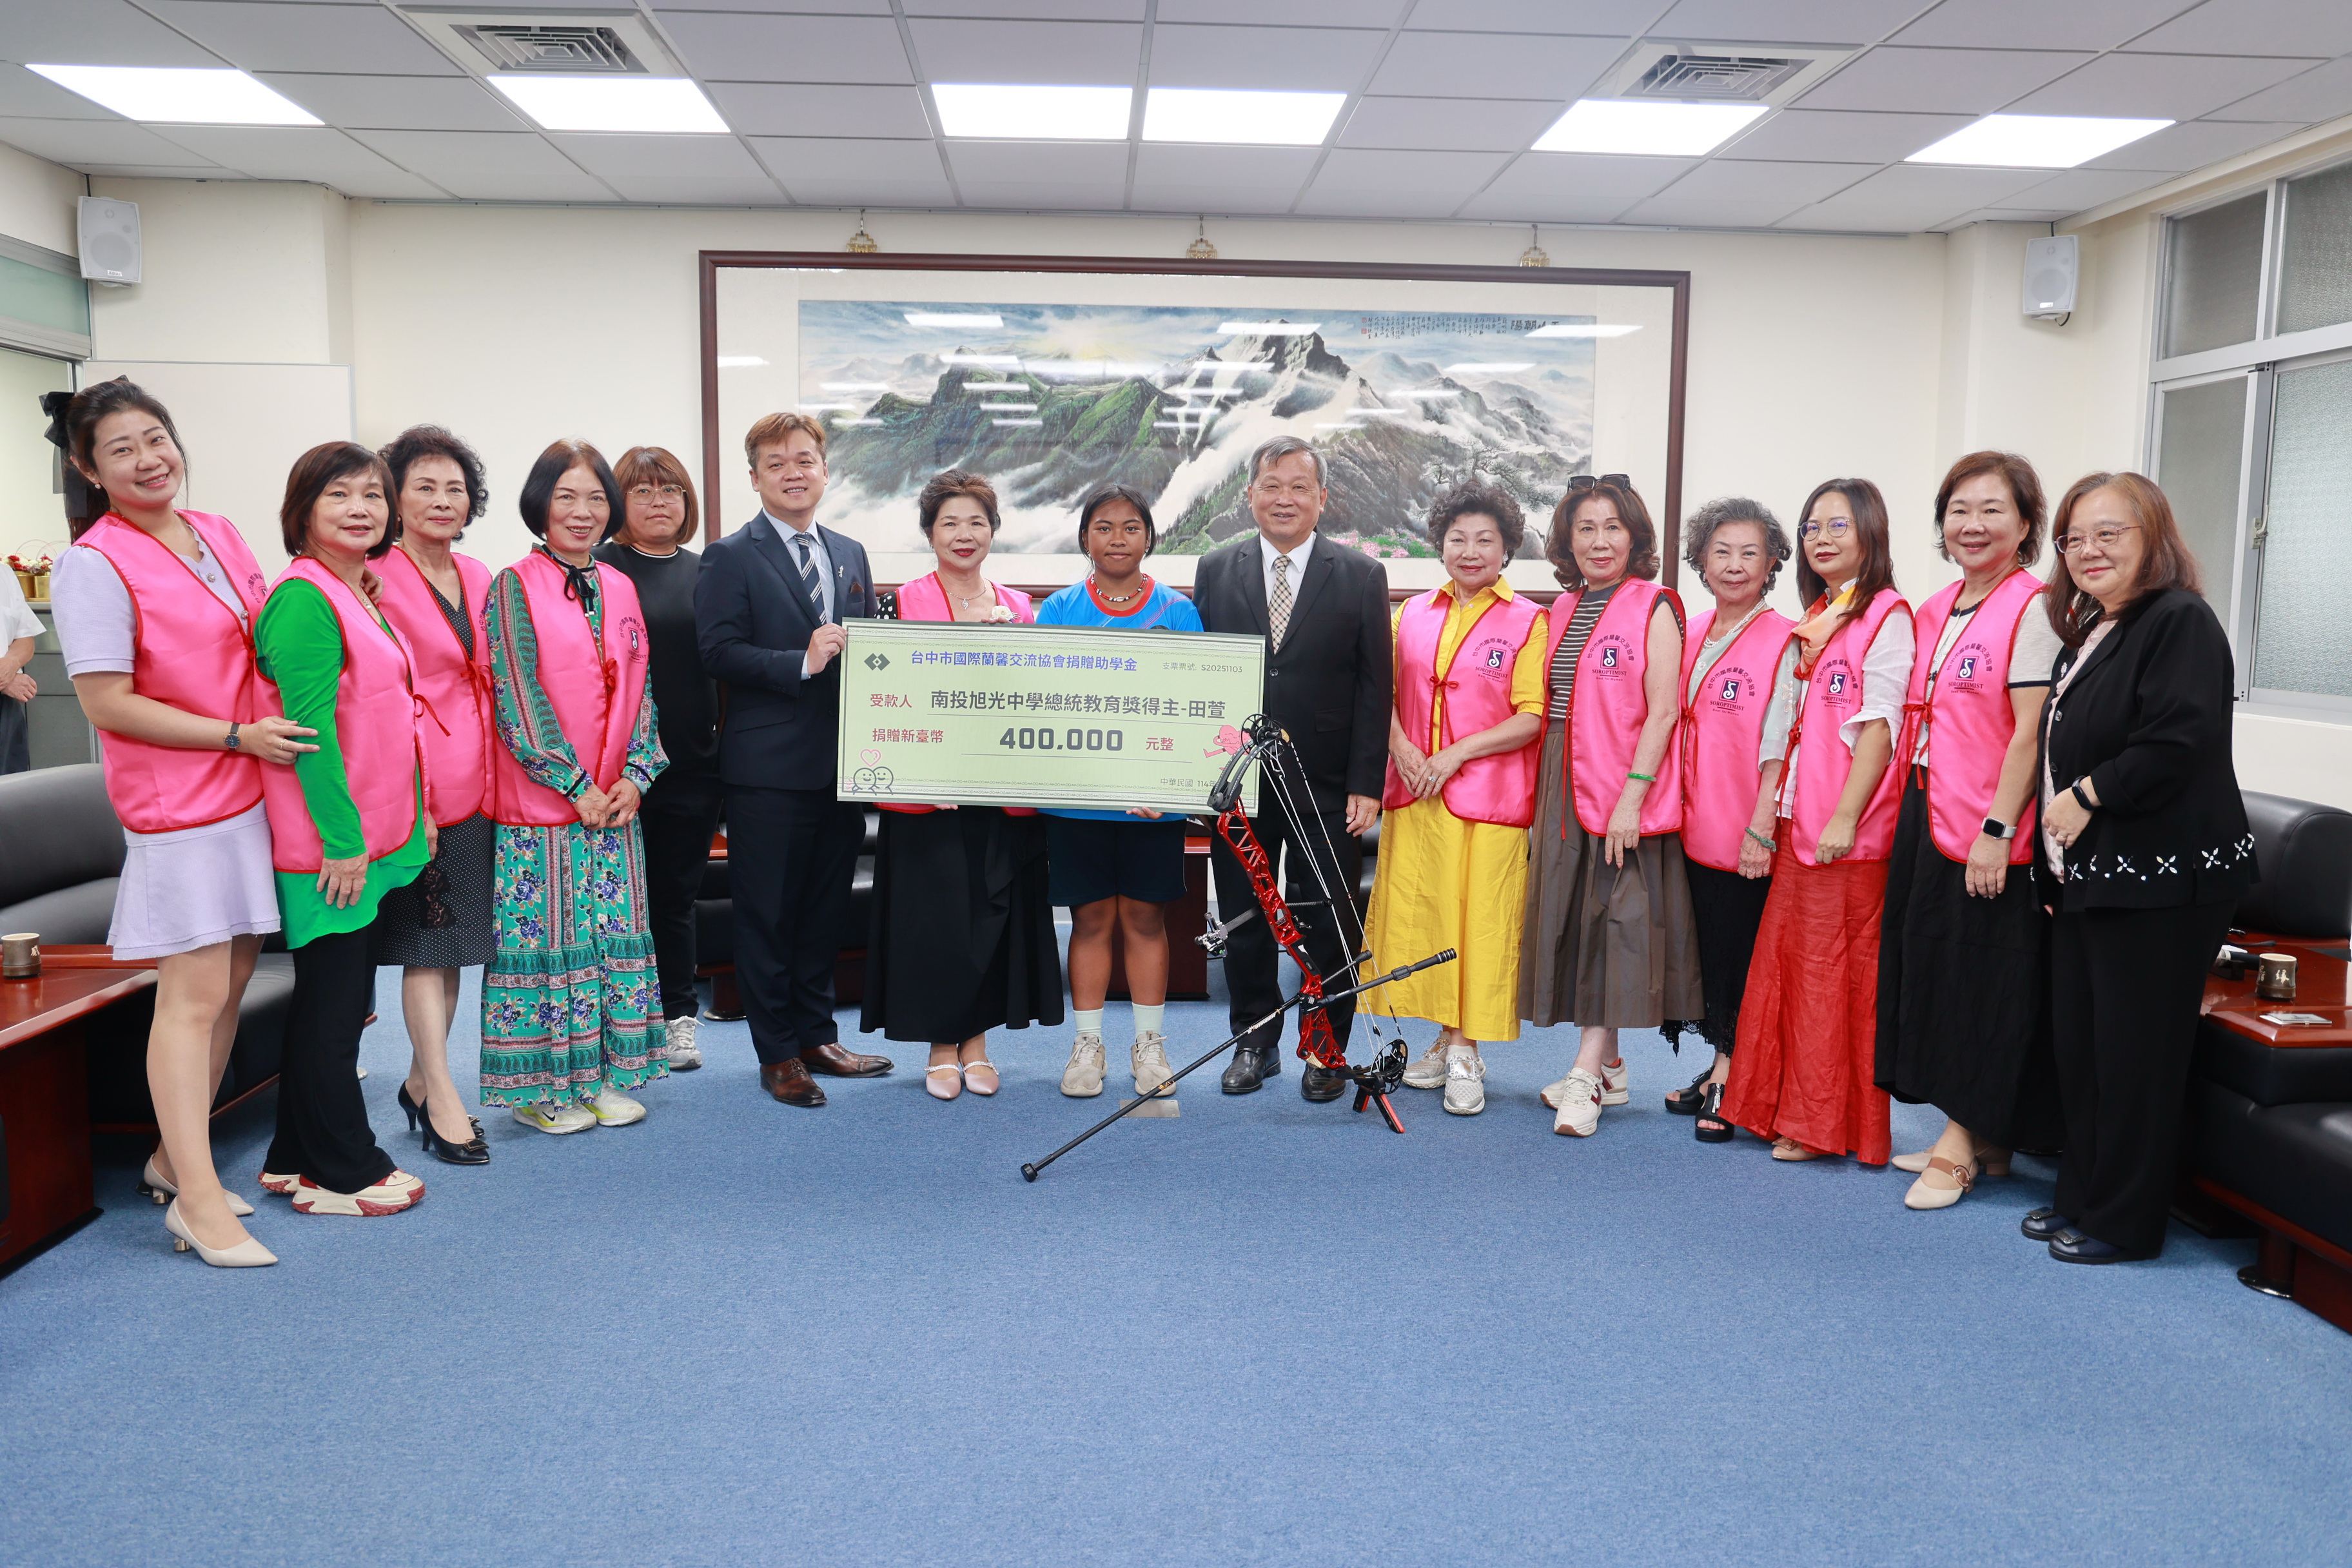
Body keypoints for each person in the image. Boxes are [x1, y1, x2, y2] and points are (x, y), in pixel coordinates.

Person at [50, 378, 311, 1267]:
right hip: (182, 805)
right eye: (121, 450)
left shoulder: (218, 532)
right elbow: (108, 702)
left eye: (155, 438)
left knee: (231, 982)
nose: (148, 459)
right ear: (90, 470)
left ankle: (172, 1158)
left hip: (251, 788)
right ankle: (197, 1205)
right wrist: (235, 733)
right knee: (191, 1000)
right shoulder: (94, 563)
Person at [2032, 473, 2252, 1264]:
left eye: (2109, 533)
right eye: (2074, 537)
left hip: (2162, 880)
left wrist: (2089, 794)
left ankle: (2124, 1221)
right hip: (2095, 875)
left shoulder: (2180, 619)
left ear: (2152, 536)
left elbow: (2179, 737)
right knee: (2083, 1048)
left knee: (2135, 1058)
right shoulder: (2098, 625)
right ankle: (2084, 1196)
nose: (2088, 550)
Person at [1877, 453, 2067, 1209]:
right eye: (1959, 509)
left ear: (2025, 524)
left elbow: (2029, 731)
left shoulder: (2034, 607)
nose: (1973, 524)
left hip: (1991, 825)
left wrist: (1998, 827)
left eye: (1993, 509)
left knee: (1983, 982)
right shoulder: (1936, 607)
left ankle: (1961, 1142)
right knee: (1936, 971)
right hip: (1928, 810)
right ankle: (1984, 1138)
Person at [252, 442, 432, 1217]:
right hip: (330, 846)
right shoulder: (304, 599)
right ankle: (343, 1168)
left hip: (368, 832)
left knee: (337, 1000)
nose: (361, 508)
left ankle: (293, 1155)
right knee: (334, 1010)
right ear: (303, 510)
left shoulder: (353, 587)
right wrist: (343, 841)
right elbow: (309, 733)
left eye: (372, 494)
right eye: (339, 494)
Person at [695, 413, 892, 1108]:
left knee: (822, 912)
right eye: (776, 463)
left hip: (841, 767)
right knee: (768, 916)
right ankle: (777, 1052)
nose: (793, 472)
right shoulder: (729, 556)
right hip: (768, 771)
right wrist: (799, 661)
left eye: (805, 459)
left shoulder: (850, 552)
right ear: (754, 478)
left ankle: (817, 1035)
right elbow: (716, 651)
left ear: (825, 470)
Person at [1191, 436, 1392, 1101]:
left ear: (1322, 498)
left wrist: (1367, 783)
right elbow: (1200, 678)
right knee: (1245, 914)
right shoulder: (1216, 568)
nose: (1285, 498)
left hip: (1327, 782)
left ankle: (1326, 1047)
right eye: (1271, 485)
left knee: (1329, 918)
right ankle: (1255, 1041)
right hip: (1240, 783)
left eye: (1299, 486)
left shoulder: (1361, 575)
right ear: (1250, 494)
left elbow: (1376, 687)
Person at [1721, 478, 1914, 1166]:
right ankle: (1779, 1108)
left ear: (1870, 532)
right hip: (1799, 826)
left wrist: (1844, 817)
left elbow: (1881, 727)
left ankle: (1822, 1123)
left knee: (1832, 982)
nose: (1822, 538)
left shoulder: (1886, 614)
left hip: (1845, 837)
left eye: (1838, 525)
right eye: (1811, 527)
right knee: (1790, 973)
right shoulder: (1825, 614)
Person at [480, 440, 670, 1134]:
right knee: (548, 943)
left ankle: (601, 1078)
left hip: (614, 806)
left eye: (595, 498)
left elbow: (642, 687)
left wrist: (636, 777)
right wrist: (574, 783)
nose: (582, 511)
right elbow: (516, 694)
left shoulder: (621, 585)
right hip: (543, 808)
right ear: (541, 505)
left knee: (610, 939)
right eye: (566, 497)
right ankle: (540, 1091)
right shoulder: (513, 584)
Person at [863, 469, 1061, 1100]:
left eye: (977, 521)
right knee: (936, 921)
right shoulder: (898, 604)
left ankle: (977, 1043)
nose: (964, 533)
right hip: (929, 795)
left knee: (992, 918)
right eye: (949, 522)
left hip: (999, 792)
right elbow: (880, 698)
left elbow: (1037, 697)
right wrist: (918, 770)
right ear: (930, 533)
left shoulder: (1020, 608)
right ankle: (941, 1045)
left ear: (993, 531)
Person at [1520, 476, 1701, 1137]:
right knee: (1580, 920)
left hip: (1621, 785)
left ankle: (1585, 1070)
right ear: (1568, 541)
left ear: (1635, 536)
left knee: (1614, 922)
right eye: (1586, 528)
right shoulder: (1563, 608)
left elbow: (1664, 711)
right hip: (1563, 780)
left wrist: (1632, 797)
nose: (1600, 541)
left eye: (1613, 527)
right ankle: (1613, 1068)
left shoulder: (1656, 604)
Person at [1364, 481, 1547, 1116]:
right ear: (1439, 545)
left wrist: (1455, 754)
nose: (1471, 552)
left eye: (1485, 540)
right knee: (1432, 918)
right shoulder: (1410, 614)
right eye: (1458, 539)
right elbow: (1381, 692)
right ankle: (1446, 1036)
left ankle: (1469, 1048)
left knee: (1483, 920)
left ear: (1507, 548)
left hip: (1488, 799)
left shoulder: (1529, 620)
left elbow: (1532, 715)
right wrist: (1402, 747)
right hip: (1416, 793)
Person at [1036, 485, 1201, 1103]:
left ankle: (1149, 1045)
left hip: (1150, 804)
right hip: (1077, 801)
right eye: (1103, 527)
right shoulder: (1059, 609)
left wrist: (1171, 785)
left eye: (1131, 527)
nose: (1117, 539)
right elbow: (1045, 702)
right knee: (1089, 920)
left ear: (1149, 538)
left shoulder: (1178, 611)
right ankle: (1088, 1046)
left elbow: (1196, 706)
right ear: (1085, 538)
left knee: (1145, 919)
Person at [369, 425, 496, 1166]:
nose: (443, 500)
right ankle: (443, 1095)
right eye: (425, 486)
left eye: (455, 488)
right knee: (426, 941)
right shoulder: (374, 576)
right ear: (395, 498)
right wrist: (409, 797)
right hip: (417, 783)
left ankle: (421, 1081)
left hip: (481, 781)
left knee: (455, 947)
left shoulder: (479, 574)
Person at [1665, 498, 1795, 1144]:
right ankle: (1721, 1059)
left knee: (1741, 953)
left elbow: (1784, 742)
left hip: (1745, 823)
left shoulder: (1787, 639)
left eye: (1750, 553)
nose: (1735, 564)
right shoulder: (1689, 632)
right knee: (1708, 953)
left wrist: (1762, 825)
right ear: (1701, 560)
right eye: (1722, 551)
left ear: (1772, 563)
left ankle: (1731, 1074)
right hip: (1688, 820)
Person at [596, 446, 721, 1073]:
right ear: (619, 502)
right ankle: (612, 1023)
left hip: (692, 766)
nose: (658, 502)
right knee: (610, 901)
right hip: (612, 774)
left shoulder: (709, 571)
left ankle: (678, 1017)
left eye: (670, 490)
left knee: (674, 898)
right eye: (642, 491)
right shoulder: (596, 567)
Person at [0, 562, 37, 774]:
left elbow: (25, 638)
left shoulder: (4, 573)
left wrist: (11, 664)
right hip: (6, 686)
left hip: (6, 707)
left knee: (11, 787)